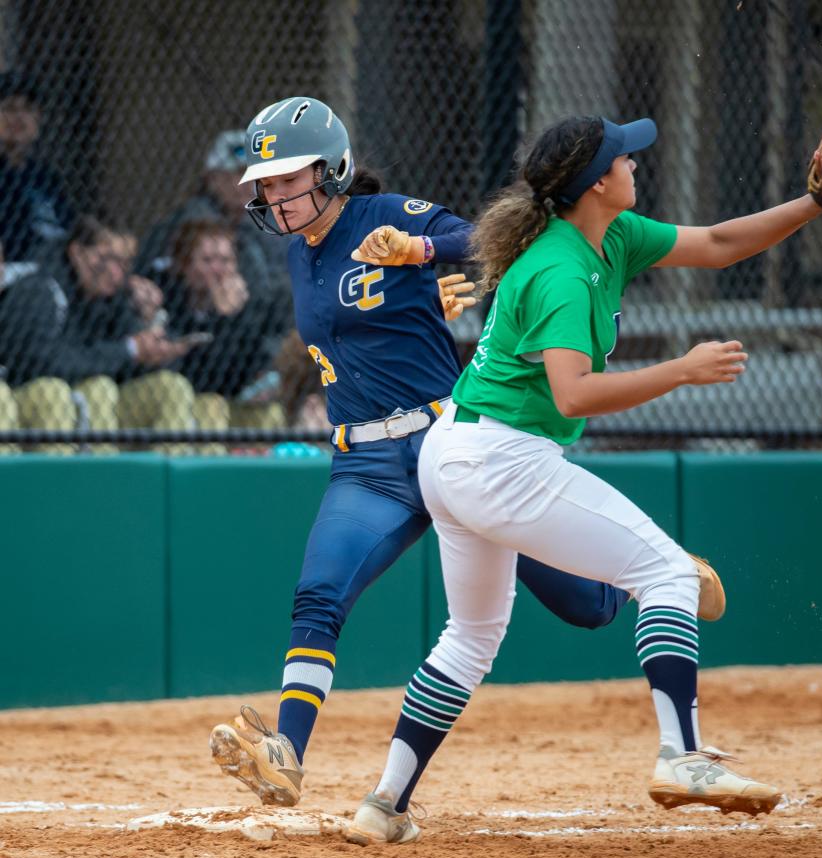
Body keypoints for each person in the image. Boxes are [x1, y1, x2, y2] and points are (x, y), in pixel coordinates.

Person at [342, 111, 822, 846]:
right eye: (624, 159)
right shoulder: (562, 270)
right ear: (595, 183)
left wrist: (817, 203)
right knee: (667, 574)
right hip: (499, 458)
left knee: (473, 634)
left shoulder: (605, 236)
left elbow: (719, 244)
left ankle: (383, 804)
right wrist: (683, 371)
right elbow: (573, 393)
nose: (636, 164)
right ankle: (683, 757)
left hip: (459, 454)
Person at [209, 97, 657, 807]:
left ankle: (655, 572)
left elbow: (485, 239)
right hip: (366, 461)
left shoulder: (384, 214)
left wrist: (420, 253)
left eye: (286, 178)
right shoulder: (298, 255)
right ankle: (285, 753)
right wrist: (418, 303)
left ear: (331, 170)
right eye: (264, 184)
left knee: (586, 608)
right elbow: (352, 334)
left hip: (446, 445)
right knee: (319, 596)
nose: (272, 195)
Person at [0, 215, 197, 452]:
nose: (116, 272)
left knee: (171, 386)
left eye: (125, 263)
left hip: (98, 402)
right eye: (107, 258)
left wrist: (151, 332)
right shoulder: (41, 289)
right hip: (33, 398)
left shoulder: (118, 296)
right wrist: (128, 350)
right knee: (75, 390)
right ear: (77, 253)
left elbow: (133, 358)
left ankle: (165, 477)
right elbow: (41, 363)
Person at [158, 218, 289, 441]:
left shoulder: (250, 303)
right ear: (185, 266)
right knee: (212, 405)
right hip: (195, 402)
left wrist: (237, 317)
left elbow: (249, 366)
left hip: (239, 401)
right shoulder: (171, 303)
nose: (219, 270)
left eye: (226, 260)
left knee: (271, 413)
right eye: (208, 260)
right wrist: (223, 319)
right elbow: (202, 380)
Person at [136, 129, 289, 295]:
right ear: (213, 178)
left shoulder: (261, 219)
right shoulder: (192, 220)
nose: (249, 183)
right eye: (239, 174)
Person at [0, 72, 75, 263]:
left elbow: (70, 226)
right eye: (9, 108)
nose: (19, 118)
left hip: (56, 268)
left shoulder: (45, 176)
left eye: (27, 109)